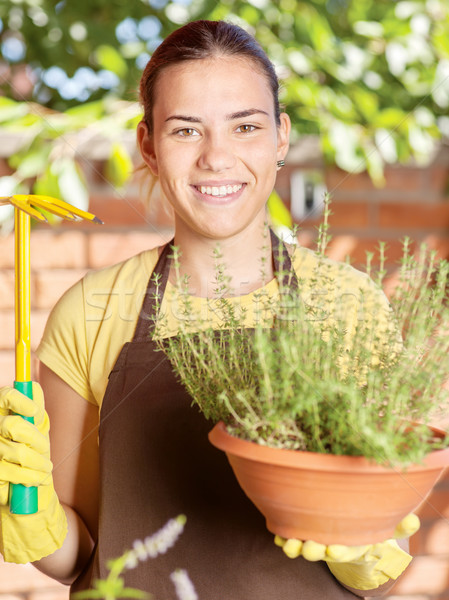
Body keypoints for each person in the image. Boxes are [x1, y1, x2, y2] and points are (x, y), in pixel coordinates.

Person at [0, 20, 418, 599]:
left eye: (245, 126)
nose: (216, 157)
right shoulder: (89, 312)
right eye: (186, 130)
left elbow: (379, 571)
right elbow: (84, 554)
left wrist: (361, 546)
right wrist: (35, 522)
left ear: (280, 136)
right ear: (148, 145)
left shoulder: (347, 306)